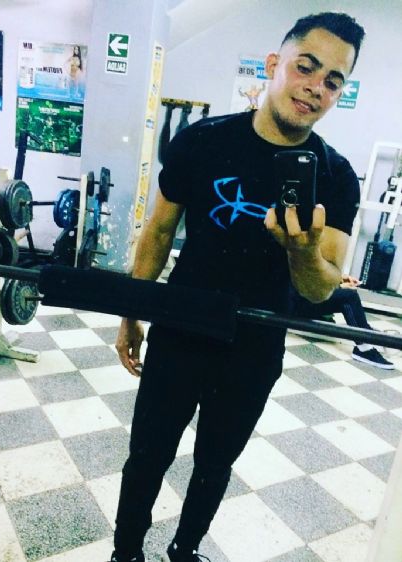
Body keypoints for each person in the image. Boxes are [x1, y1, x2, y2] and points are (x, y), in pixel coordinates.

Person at [112, 12, 366, 562]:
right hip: (181, 326)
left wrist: (302, 251)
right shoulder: (203, 142)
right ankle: (125, 553)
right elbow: (159, 231)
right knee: (147, 455)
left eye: (333, 80)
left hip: (256, 343)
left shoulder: (337, 176)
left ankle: (184, 552)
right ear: (274, 65)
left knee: (215, 463)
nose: (315, 87)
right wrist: (132, 312)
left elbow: (321, 290)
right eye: (306, 67)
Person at [291, 274, 394, 369]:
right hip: (293, 302)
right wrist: (338, 286)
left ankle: (368, 334)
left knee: (347, 296)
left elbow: (310, 275)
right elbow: (303, 281)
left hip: (297, 296)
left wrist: (339, 279)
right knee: (349, 296)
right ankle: (364, 348)